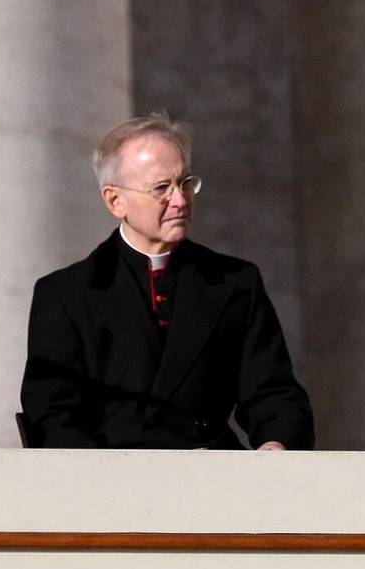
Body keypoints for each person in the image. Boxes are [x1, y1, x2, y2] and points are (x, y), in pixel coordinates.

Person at [20, 113, 313, 449]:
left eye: (186, 183)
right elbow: (52, 414)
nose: (180, 200)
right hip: (115, 485)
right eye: (162, 188)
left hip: (214, 479)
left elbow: (273, 393)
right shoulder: (65, 294)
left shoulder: (234, 283)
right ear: (115, 201)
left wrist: (276, 443)